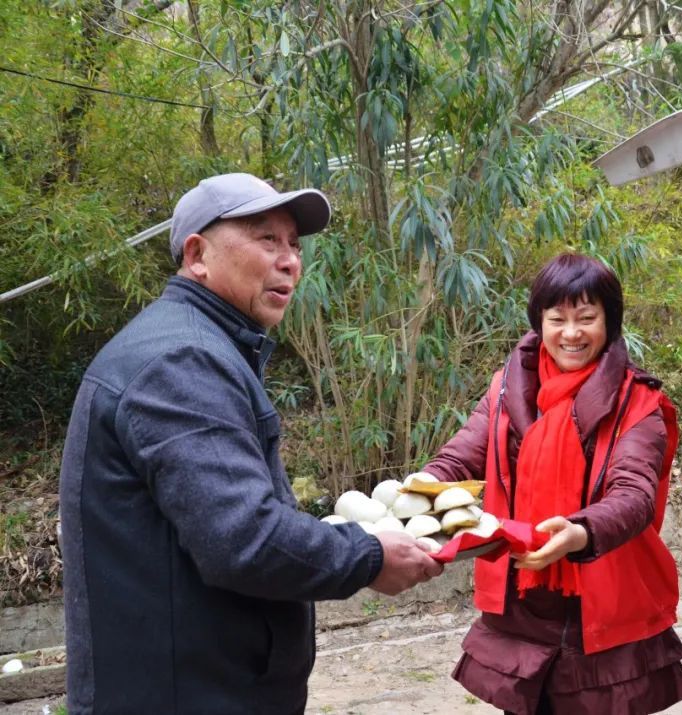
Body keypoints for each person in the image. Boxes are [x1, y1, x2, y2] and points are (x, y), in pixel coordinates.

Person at [58, 173, 442, 713]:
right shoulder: (180, 361)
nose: (289, 261)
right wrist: (369, 556)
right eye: (267, 240)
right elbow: (244, 540)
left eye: (294, 244)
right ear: (198, 254)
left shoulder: (200, 346)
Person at [417, 253, 682, 715]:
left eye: (587, 318)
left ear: (610, 322)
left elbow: (634, 494)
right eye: (557, 318)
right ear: (538, 322)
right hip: (523, 593)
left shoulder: (638, 402)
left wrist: (580, 532)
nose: (571, 333)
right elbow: (464, 452)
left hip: (600, 598)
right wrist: (422, 485)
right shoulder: (509, 388)